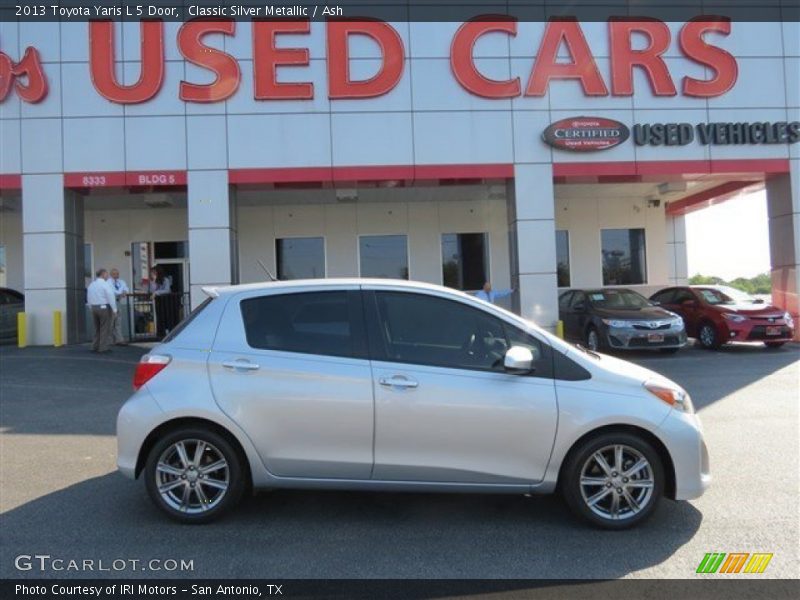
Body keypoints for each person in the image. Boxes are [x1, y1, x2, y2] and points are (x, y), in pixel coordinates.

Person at [86, 268, 116, 353]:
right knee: (104, 328)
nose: (107, 275)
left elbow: (88, 296)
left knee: (97, 328)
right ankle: (103, 347)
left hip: (94, 307)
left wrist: (90, 307)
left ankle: (94, 346)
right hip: (104, 307)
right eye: (106, 274)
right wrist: (114, 309)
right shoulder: (105, 284)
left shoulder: (92, 284)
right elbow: (110, 297)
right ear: (102, 274)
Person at [148, 265, 174, 338]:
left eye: (153, 272)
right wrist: (153, 281)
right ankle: (161, 333)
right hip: (158, 301)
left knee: (166, 316)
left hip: (166, 301)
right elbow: (151, 291)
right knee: (159, 317)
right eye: (151, 272)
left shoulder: (165, 279)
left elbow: (167, 290)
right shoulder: (153, 281)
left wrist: (156, 293)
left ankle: (168, 332)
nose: (152, 274)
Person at [108, 268, 129, 345]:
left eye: (117, 274)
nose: (116, 275)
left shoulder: (121, 281)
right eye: (114, 274)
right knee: (111, 322)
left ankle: (119, 340)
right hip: (111, 303)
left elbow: (126, 287)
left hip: (118, 302)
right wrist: (120, 293)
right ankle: (110, 340)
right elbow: (111, 291)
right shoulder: (108, 282)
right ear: (111, 274)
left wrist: (125, 291)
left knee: (118, 322)